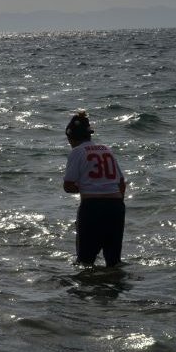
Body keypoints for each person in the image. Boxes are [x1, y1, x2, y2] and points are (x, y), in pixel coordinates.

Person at [63, 110, 126, 267]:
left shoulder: (76, 152)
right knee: (114, 262)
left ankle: (88, 289)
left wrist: (89, 188)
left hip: (92, 208)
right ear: (89, 135)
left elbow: (68, 186)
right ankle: (114, 289)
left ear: (70, 137)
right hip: (116, 208)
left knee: (85, 262)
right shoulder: (106, 149)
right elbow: (121, 183)